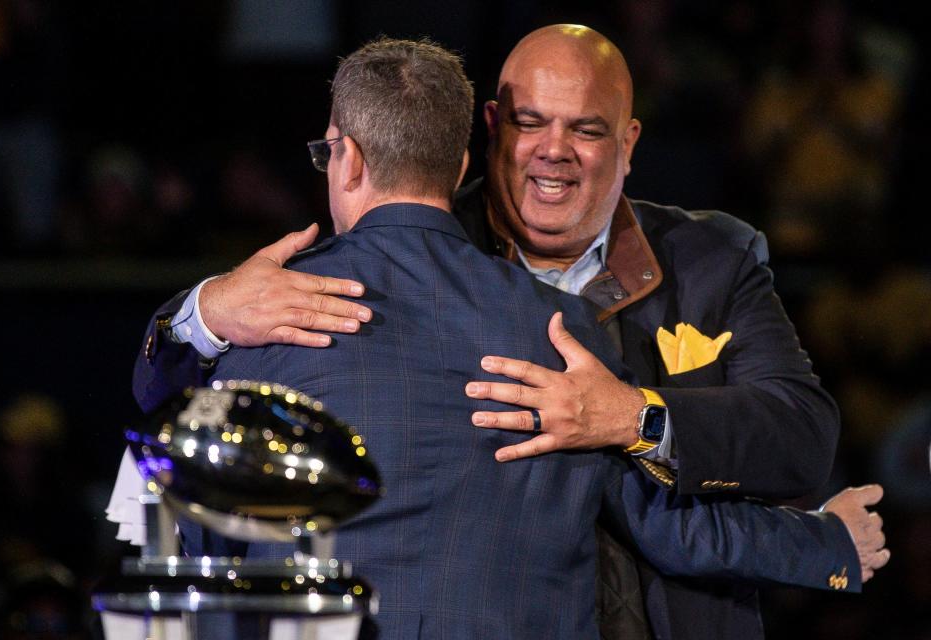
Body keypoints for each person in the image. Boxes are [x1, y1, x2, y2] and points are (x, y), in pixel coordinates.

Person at [131, 28, 889, 639]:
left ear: (629, 142)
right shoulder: (550, 328)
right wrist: (204, 306)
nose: (554, 150)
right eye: (531, 123)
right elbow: (667, 526)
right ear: (478, 143)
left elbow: (180, 527)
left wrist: (634, 416)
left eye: (585, 130)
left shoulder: (711, 263)